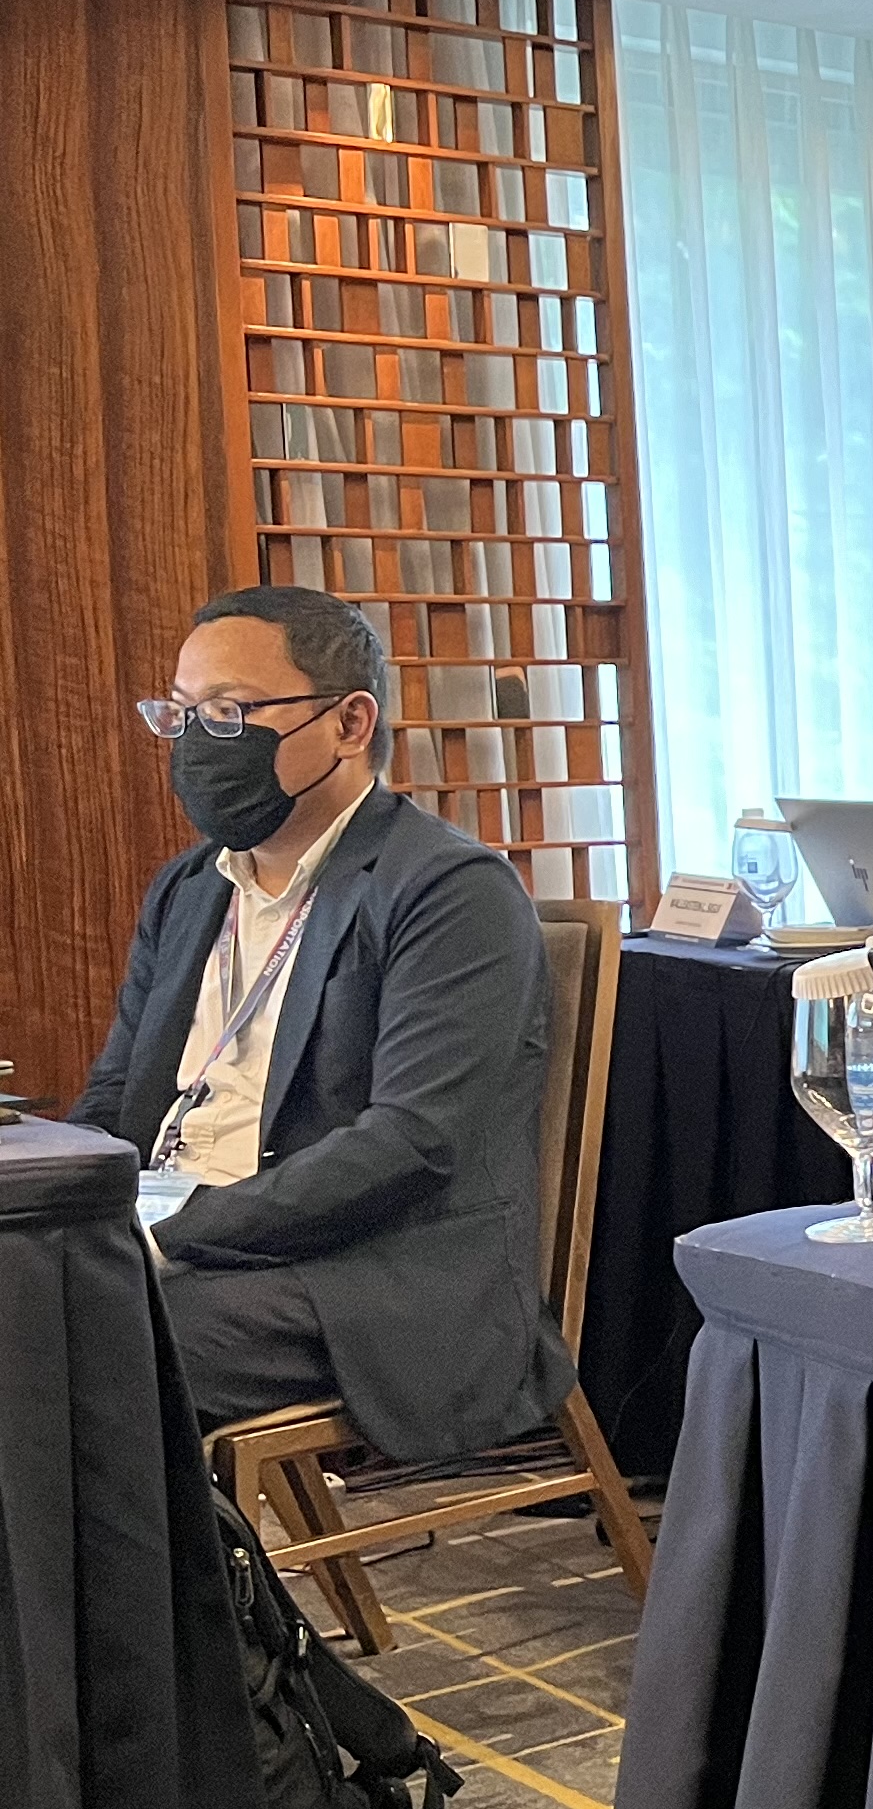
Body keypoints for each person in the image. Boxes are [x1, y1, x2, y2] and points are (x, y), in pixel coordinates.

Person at [73, 586, 578, 1460]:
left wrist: (167, 1235)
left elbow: (411, 1144)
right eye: (182, 715)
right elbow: (118, 1097)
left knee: (82, 1341)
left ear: (349, 722)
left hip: (366, 1271)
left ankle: (163, 1558)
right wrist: (60, 1205)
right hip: (185, 1241)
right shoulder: (190, 889)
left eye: (229, 714)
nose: (197, 743)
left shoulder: (448, 892)